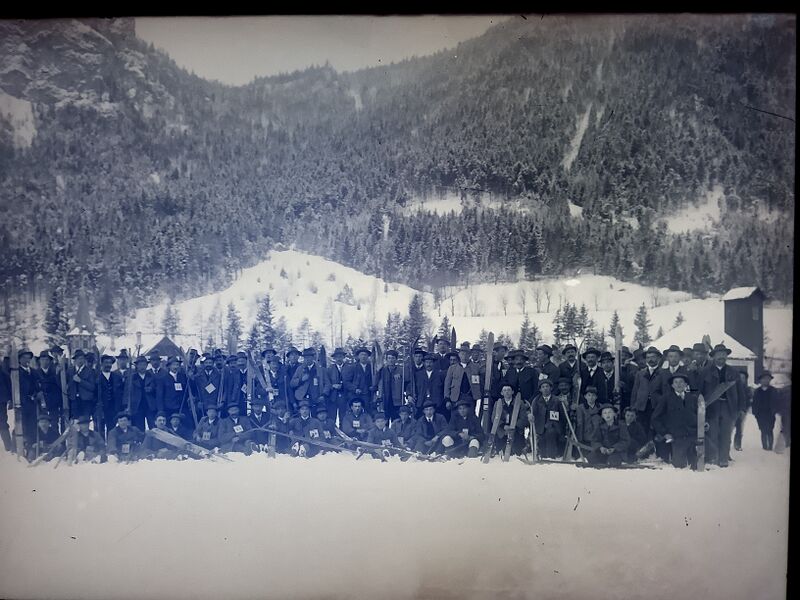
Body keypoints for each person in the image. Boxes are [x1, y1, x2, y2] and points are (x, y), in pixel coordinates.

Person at [698, 344, 746, 468]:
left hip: (728, 407)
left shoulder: (733, 372)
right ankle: (713, 458)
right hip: (711, 407)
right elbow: (700, 391)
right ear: (713, 356)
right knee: (712, 433)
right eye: (718, 354)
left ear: (726, 356)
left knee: (726, 433)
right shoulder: (705, 372)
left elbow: (741, 391)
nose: (721, 357)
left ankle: (724, 458)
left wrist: (741, 408)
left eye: (724, 354)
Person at [651, 373, 698, 469]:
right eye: (676, 382)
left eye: (681, 382)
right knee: (679, 467)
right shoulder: (666, 398)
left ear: (686, 384)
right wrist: (665, 433)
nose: (679, 384)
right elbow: (655, 418)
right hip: (676, 438)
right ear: (672, 385)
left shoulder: (692, 398)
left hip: (692, 436)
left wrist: (703, 425)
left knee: (697, 466)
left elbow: (698, 416)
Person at [531, 379, 566, 459]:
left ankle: (551, 456)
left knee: (550, 433)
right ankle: (542, 455)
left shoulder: (557, 400)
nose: (545, 388)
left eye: (547, 386)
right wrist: (530, 415)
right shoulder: (536, 401)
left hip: (554, 426)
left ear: (551, 388)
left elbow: (563, 416)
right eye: (543, 387)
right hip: (540, 426)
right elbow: (533, 412)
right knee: (541, 436)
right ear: (540, 389)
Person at [290, 348, 330, 415]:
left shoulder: (320, 369)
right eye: (305, 357)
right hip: (302, 398)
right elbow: (292, 383)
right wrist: (301, 380)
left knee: (315, 417)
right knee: (303, 416)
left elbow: (327, 384)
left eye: (309, 357)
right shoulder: (300, 369)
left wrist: (323, 395)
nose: (307, 359)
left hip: (316, 398)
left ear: (313, 357)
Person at [96, 354, 124, 439]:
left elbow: (121, 392)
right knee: (99, 427)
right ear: (102, 364)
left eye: (110, 363)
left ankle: (110, 447)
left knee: (111, 428)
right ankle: (100, 448)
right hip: (100, 407)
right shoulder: (97, 376)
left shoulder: (117, 376)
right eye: (106, 363)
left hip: (113, 407)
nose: (108, 365)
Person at [34, 351, 62, 428]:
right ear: (39, 361)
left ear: (49, 361)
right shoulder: (35, 373)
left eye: (46, 360)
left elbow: (59, 386)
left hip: (54, 402)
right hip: (41, 403)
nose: (44, 362)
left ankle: (56, 438)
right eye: (42, 360)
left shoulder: (55, 372)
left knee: (54, 423)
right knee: (42, 423)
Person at [375, 349, 405, 421]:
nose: (391, 360)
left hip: (397, 400)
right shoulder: (382, 370)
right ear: (386, 359)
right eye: (389, 358)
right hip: (385, 400)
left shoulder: (401, 370)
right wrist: (378, 371)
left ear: (396, 359)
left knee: (397, 420)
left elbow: (407, 383)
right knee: (385, 421)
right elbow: (375, 382)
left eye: (393, 358)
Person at [129, 356, 157, 431]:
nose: (142, 367)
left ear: (147, 366)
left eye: (144, 365)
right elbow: (127, 393)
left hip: (150, 405)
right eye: (140, 365)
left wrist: (151, 389)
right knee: (139, 427)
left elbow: (157, 390)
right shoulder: (132, 377)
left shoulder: (152, 376)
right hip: (137, 406)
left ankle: (154, 441)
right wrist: (127, 406)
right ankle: (140, 442)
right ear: (137, 366)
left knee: (153, 426)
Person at [343, 347, 373, 415]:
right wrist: (355, 389)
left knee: (367, 413)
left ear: (368, 356)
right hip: (355, 396)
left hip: (367, 396)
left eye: (365, 355)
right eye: (362, 354)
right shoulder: (352, 367)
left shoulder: (371, 368)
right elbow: (346, 382)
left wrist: (373, 387)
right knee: (354, 414)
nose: (363, 356)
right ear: (358, 356)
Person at [752, 370, 778, 451]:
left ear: (770, 380)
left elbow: (777, 401)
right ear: (760, 380)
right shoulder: (757, 391)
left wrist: (775, 410)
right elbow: (754, 402)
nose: (765, 380)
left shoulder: (773, 390)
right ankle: (764, 447)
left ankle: (770, 446)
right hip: (760, 414)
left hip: (770, 413)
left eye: (767, 379)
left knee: (770, 429)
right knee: (763, 430)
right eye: (764, 379)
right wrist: (755, 412)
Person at [327, 347, 349, 424]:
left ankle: (343, 433)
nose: (339, 358)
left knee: (343, 416)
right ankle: (333, 432)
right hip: (333, 396)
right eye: (337, 357)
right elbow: (326, 382)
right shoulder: (330, 369)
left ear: (343, 357)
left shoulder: (349, 368)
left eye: (340, 356)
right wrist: (332, 386)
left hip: (345, 396)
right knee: (332, 416)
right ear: (334, 358)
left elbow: (351, 381)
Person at [734, 370, 752, 451]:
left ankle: (738, 444)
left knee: (739, 429)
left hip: (742, 412)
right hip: (733, 411)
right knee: (729, 429)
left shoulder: (748, 390)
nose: (741, 379)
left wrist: (744, 410)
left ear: (746, 379)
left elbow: (748, 401)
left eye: (743, 378)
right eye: (740, 378)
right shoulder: (733, 388)